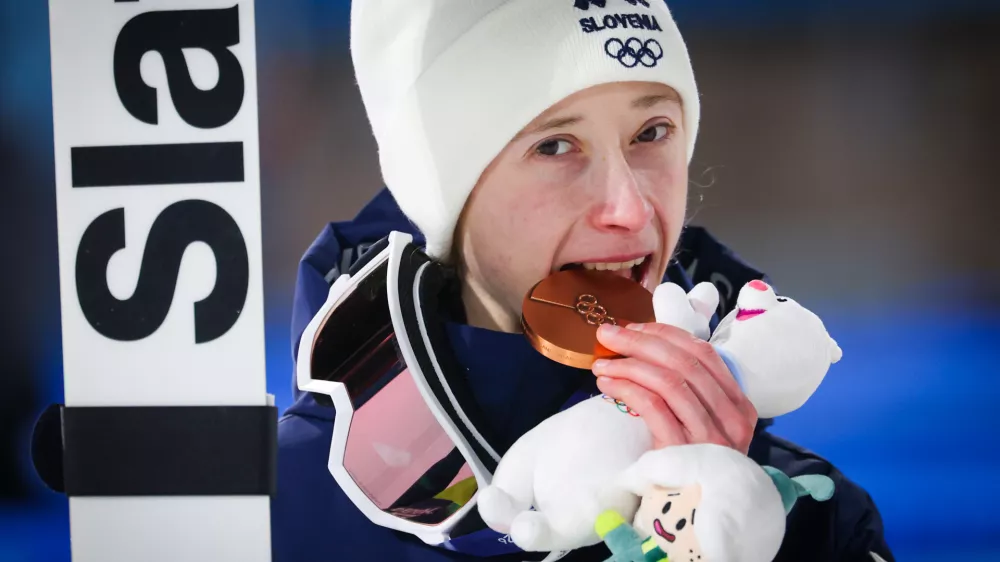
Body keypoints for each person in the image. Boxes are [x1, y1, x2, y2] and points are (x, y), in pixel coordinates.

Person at [271, 1, 894, 561]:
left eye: (651, 133)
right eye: (555, 146)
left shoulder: (812, 518)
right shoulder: (272, 512)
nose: (631, 208)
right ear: (444, 195)